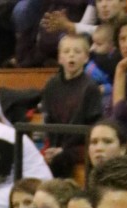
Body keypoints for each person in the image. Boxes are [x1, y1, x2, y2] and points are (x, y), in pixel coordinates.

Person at [41, 32, 103, 178]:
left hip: (80, 146)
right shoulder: (51, 85)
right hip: (56, 145)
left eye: (77, 51)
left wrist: (64, 149)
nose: (71, 55)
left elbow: (93, 124)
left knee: (60, 160)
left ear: (86, 57)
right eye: (66, 51)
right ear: (59, 57)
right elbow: (48, 119)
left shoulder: (90, 87)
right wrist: (53, 147)